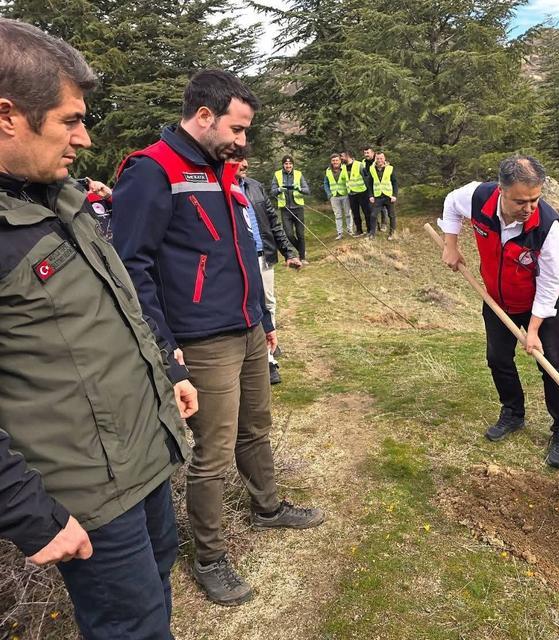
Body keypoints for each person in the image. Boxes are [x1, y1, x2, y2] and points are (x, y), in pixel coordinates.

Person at [0, 18, 195, 639]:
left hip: (144, 455)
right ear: (7, 116)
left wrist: (167, 369)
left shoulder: (57, 200)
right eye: (69, 120)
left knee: (159, 584)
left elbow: (113, 305)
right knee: (129, 626)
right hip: (85, 495)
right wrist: (26, 512)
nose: (85, 138)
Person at [113, 69, 325, 607]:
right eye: (237, 128)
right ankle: (209, 556)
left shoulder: (222, 169)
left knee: (257, 426)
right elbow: (131, 268)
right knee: (212, 450)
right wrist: (167, 351)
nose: (242, 141)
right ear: (203, 116)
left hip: (248, 325)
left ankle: (268, 507)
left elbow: (237, 252)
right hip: (202, 338)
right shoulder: (152, 171)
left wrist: (264, 319)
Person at [439, 155, 559, 468]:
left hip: (538, 302)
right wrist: (450, 244)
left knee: (551, 363)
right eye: (520, 201)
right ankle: (513, 413)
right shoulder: (478, 198)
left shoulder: (548, 228)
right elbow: (450, 203)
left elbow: (550, 283)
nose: (529, 209)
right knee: (497, 358)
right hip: (496, 299)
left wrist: (535, 330)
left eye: (535, 199)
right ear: (501, 191)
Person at [236, 155, 301, 385]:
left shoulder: (255, 187)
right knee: (250, 305)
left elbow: (273, 222)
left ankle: (269, 354)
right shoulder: (222, 189)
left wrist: (289, 252)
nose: (244, 164)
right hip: (240, 261)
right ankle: (261, 358)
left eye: (245, 159)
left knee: (268, 303)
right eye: (237, 159)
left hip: (264, 257)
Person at [271, 154, 310, 262]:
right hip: (285, 209)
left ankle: (302, 257)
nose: (288, 166)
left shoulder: (298, 174)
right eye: (286, 164)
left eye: (290, 164)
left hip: (298, 208)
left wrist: (299, 189)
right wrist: (279, 189)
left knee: (300, 234)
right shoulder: (277, 175)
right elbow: (272, 191)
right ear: (283, 165)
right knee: (288, 234)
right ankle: (301, 250)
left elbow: (307, 190)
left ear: (293, 165)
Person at [369, 150, 398, 240]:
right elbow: (370, 183)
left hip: (388, 196)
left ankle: (392, 233)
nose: (379, 160)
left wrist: (394, 195)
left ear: (384, 158)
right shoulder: (372, 169)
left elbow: (394, 183)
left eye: (381, 158)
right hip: (377, 196)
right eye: (377, 158)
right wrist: (371, 195)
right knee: (373, 215)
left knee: (391, 215)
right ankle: (372, 234)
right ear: (375, 159)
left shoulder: (390, 168)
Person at [342, 149, 372, 237]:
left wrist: (369, 192)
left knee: (366, 212)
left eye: (342, 156)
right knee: (355, 213)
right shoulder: (343, 166)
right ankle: (359, 230)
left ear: (348, 156)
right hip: (351, 193)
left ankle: (370, 229)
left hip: (362, 192)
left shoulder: (359, 165)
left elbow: (366, 178)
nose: (341, 158)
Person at [323, 152, 352, 239]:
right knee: (338, 215)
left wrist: (349, 191)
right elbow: (326, 183)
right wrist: (329, 193)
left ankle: (350, 230)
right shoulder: (328, 171)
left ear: (340, 161)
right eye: (333, 160)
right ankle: (339, 233)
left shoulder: (345, 168)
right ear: (331, 161)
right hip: (334, 196)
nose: (335, 162)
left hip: (345, 194)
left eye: (337, 160)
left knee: (348, 213)